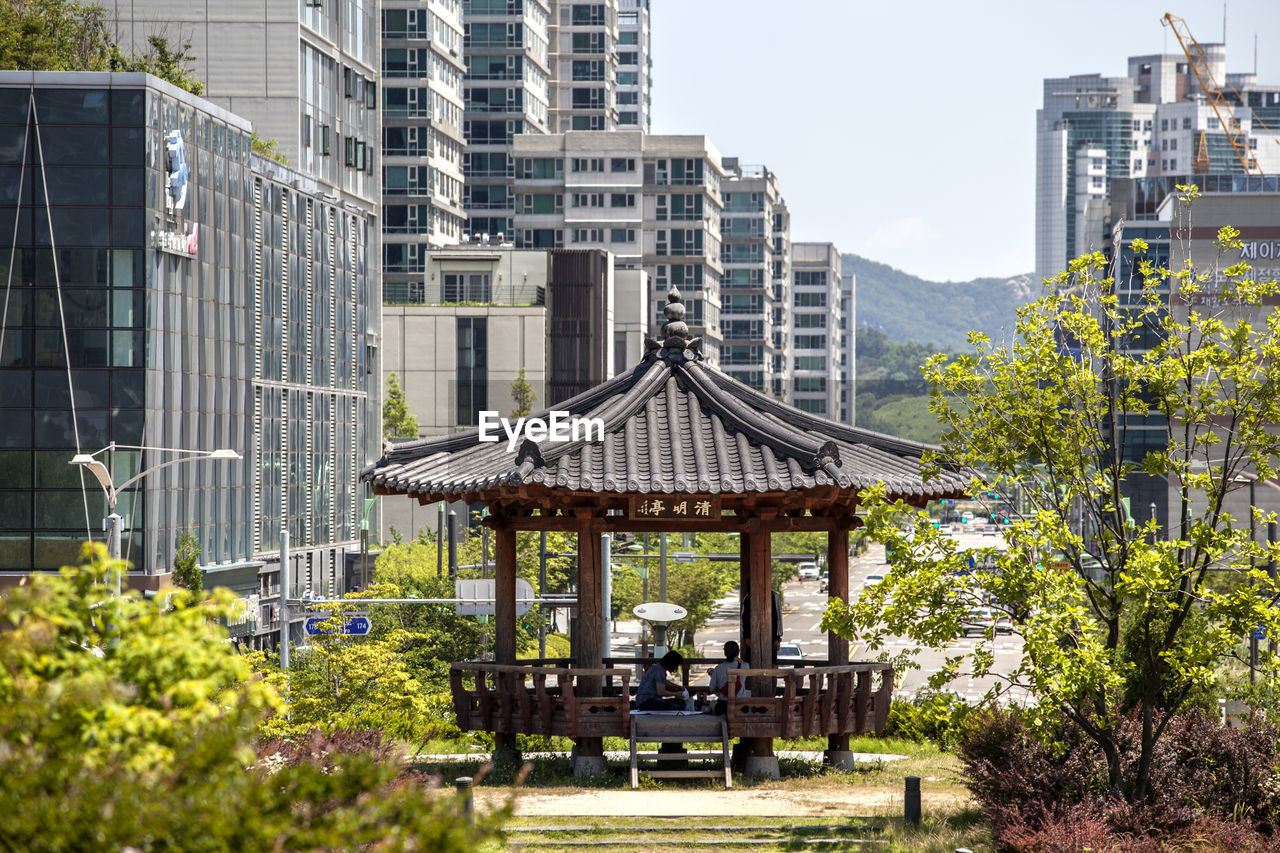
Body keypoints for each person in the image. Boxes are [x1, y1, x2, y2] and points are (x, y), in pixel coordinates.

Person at [707, 640, 749, 715]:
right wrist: (738, 660)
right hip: (741, 706)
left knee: (712, 703)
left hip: (723, 705)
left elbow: (711, 688)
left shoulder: (718, 668)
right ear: (738, 652)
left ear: (725, 653)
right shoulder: (745, 666)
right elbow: (741, 662)